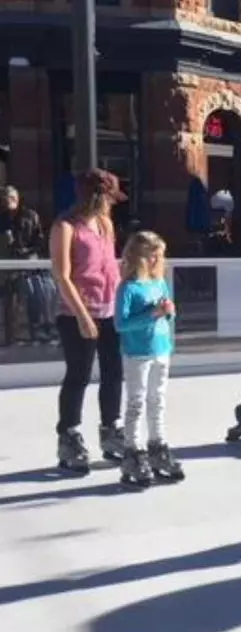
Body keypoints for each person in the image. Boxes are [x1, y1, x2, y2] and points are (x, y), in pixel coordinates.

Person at [49, 169, 127, 474]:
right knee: (78, 375)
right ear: (97, 196)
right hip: (76, 312)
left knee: (113, 372)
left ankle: (111, 429)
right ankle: (68, 435)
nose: (113, 204)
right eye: (110, 197)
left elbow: (111, 268)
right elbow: (62, 275)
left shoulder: (106, 225)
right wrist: (82, 315)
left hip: (110, 310)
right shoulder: (65, 227)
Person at [114, 230, 184, 487]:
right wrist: (152, 314)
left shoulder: (159, 283)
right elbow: (121, 323)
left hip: (161, 349)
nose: (155, 261)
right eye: (150, 256)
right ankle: (133, 450)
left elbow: (167, 316)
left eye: (158, 256)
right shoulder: (128, 288)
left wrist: (169, 313)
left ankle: (158, 445)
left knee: (158, 400)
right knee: (136, 402)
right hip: (138, 353)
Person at [3, 185, 57, 345]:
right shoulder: (2, 219)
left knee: (41, 289)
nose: (7, 201)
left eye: (10, 197)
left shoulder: (30, 216)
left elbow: (39, 240)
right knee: (14, 296)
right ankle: (11, 336)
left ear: (17, 199)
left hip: (29, 261)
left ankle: (41, 328)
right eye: (4, 198)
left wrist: (29, 252)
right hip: (8, 264)